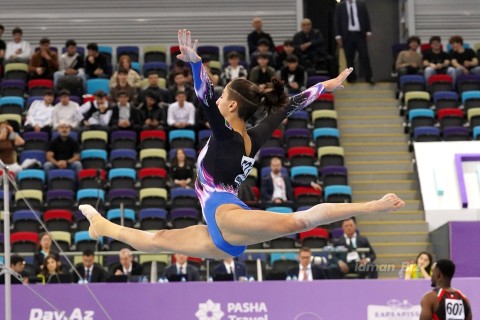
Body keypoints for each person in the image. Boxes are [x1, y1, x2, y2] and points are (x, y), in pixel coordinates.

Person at [78, 29, 404, 261]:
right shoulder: (253, 137)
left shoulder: (227, 136)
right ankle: (103, 225)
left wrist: (195, 64)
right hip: (222, 231)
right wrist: (325, 86)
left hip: (223, 215)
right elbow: (287, 105)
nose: (219, 100)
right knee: (156, 241)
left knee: (297, 221)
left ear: (232, 107)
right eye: (221, 96)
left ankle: (372, 207)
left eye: (224, 97)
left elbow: (204, 97)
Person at [335, 0, 374, 84]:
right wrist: (338, 35)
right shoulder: (340, 6)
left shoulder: (361, 4)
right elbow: (337, 21)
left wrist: (368, 31)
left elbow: (366, 17)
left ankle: (369, 77)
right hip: (347, 35)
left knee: (364, 56)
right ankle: (352, 78)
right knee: (349, 58)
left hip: (360, 34)